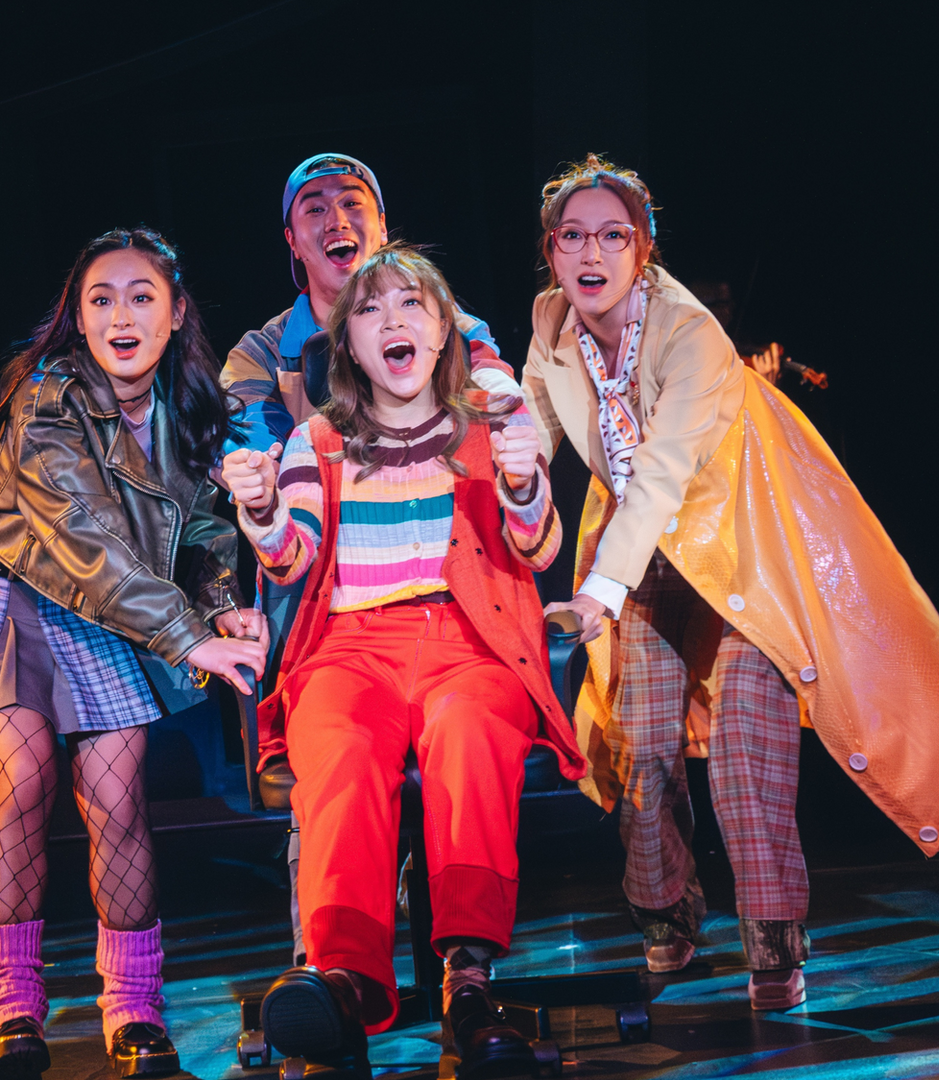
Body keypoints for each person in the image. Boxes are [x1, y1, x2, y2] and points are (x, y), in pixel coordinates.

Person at [523, 156, 939, 1011]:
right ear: (552, 251)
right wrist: (512, 466)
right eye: (573, 237)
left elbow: (666, 474)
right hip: (647, 560)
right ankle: (666, 916)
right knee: (640, 748)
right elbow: (531, 435)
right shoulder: (552, 325)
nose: (591, 253)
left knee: (746, 755)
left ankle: (773, 945)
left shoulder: (690, 334)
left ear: (643, 248)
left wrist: (598, 594)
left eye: (612, 235)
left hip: (743, 552)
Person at [221, 244, 583, 1078]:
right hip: (353, 649)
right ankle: (344, 982)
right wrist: (263, 506)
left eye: (413, 305)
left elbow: (535, 549)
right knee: (340, 752)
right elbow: (290, 558)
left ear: (445, 327)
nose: (394, 322)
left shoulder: (490, 422)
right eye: (372, 309)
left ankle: (468, 979)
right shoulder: (320, 438)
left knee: (466, 735)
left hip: (469, 642)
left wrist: (526, 486)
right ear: (348, 342)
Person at [0, 228, 268, 1079]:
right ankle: (11, 1012)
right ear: (77, 317)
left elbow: (209, 535)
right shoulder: (47, 401)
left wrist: (221, 610)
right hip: (13, 597)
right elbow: (84, 543)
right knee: (24, 784)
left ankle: (136, 1012)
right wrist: (186, 635)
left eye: (141, 296)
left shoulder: (194, 412)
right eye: (101, 298)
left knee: (116, 802)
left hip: (113, 615)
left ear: (176, 312)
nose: (121, 314)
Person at [220, 153, 521, 673]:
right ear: (292, 240)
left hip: (431, 552)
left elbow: (493, 386)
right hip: (313, 564)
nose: (336, 220)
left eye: (352, 203)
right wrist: (255, 473)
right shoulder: (261, 352)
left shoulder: (444, 322)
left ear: (382, 226)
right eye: (314, 209)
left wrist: (506, 413)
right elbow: (254, 450)